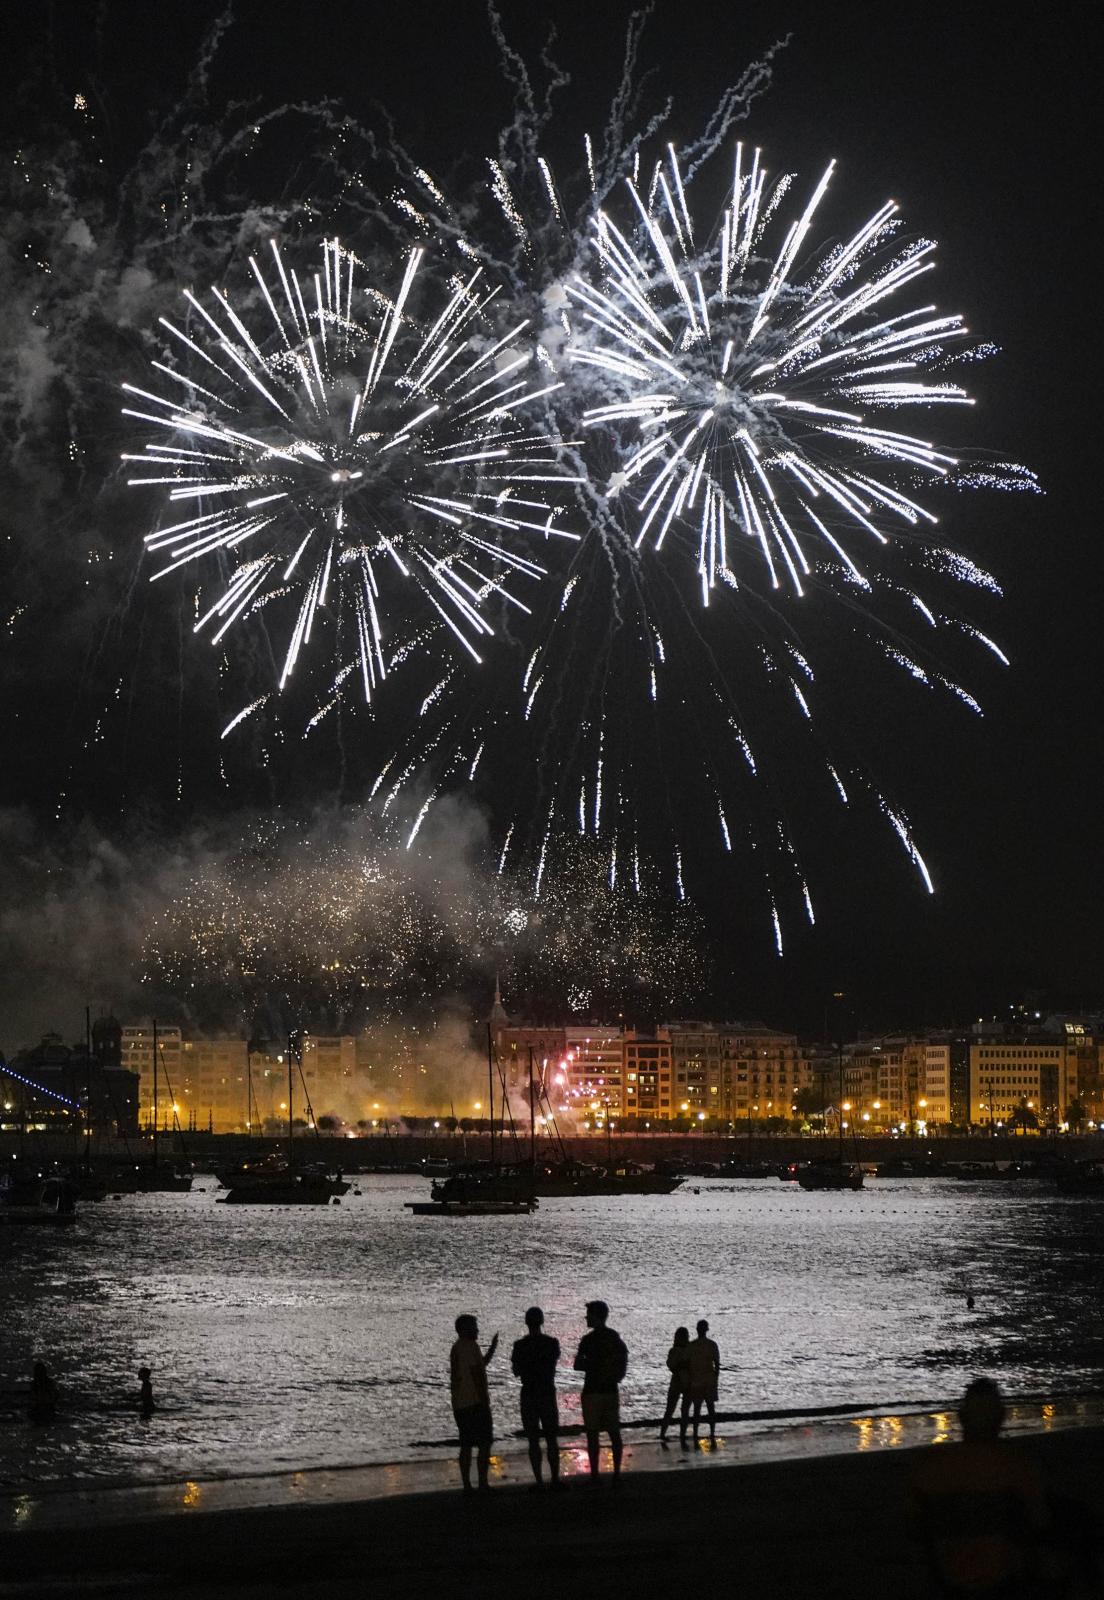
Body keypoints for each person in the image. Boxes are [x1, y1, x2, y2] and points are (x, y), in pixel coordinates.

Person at [911, 1378, 1049, 1596]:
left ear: (961, 1418)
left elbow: (914, 1526)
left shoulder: (931, 1469)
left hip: (948, 1578)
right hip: (1004, 1579)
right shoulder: (1017, 1468)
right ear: (1001, 1417)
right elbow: (1039, 1523)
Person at [573, 1301, 627, 1480]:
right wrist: (614, 1374)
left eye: (589, 1314)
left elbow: (577, 1364)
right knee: (613, 1433)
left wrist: (593, 1364)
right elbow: (623, 1360)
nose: (586, 1317)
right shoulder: (613, 1337)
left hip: (593, 1391)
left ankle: (595, 1475)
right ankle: (616, 1474)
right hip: (609, 1390)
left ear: (596, 1316)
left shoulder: (588, 1340)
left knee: (593, 1434)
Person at [510, 1306, 560, 1488]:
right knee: (551, 1437)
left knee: (533, 1439)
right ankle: (555, 1479)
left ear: (526, 1322)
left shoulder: (520, 1346)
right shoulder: (552, 1343)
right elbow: (553, 1362)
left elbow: (516, 1371)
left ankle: (539, 1480)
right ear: (542, 1321)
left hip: (529, 1392)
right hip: (546, 1391)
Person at [449, 1314, 498, 1492]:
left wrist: (491, 1350)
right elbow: (477, 1374)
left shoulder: (458, 1347)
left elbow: (478, 1366)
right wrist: (484, 1400)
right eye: (474, 1326)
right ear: (465, 1329)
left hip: (460, 1402)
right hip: (473, 1402)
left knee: (466, 1445)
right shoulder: (468, 1346)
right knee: (484, 1443)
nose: (477, 1330)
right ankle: (482, 1483)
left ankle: (467, 1485)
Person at [686, 1319, 720, 1443]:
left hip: (696, 1381)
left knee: (697, 1409)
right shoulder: (712, 1345)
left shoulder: (691, 1345)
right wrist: (715, 1379)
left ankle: (695, 1433)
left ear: (697, 1330)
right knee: (711, 1408)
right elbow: (717, 1365)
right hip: (709, 1380)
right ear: (706, 1330)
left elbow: (688, 1365)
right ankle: (712, 1432)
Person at [659, 1326, 690, 1442]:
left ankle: (664, 1433)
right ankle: (679, 1434)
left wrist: (679, 1366)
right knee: (681, 1410)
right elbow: (672, 1366)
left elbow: (671, 1365)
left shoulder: (675, 1350)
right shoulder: (685, 1350)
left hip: (679, 1382)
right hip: (683, 1382)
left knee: (671, 1410)